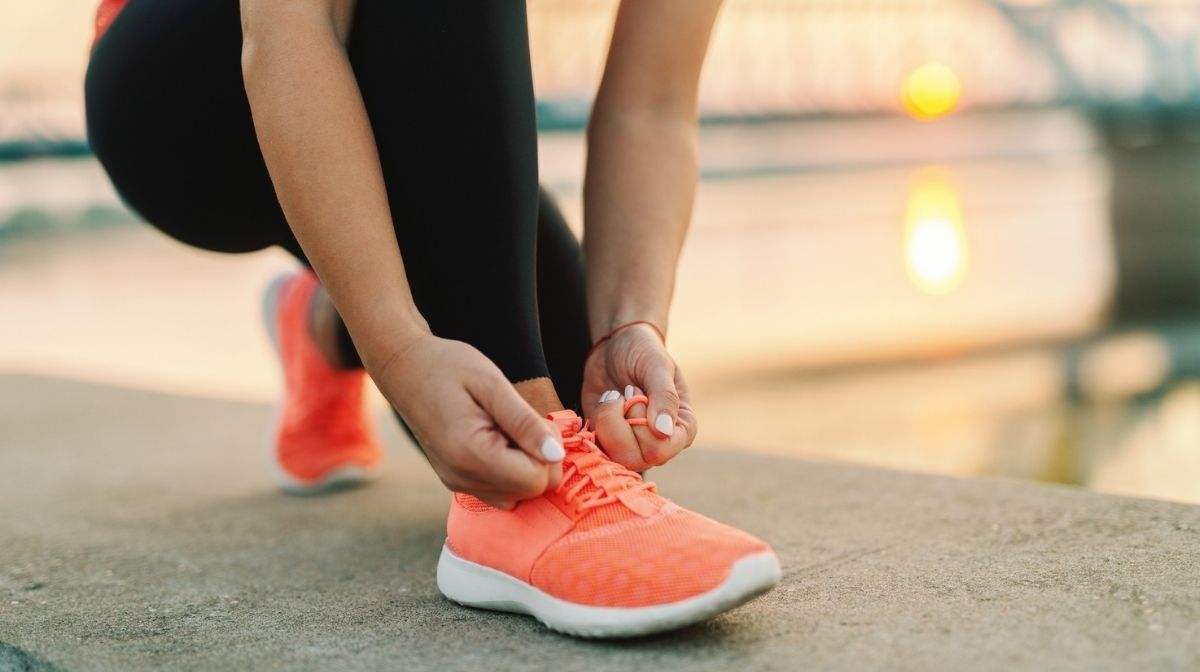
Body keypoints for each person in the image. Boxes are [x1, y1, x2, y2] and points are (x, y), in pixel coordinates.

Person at [85, 0, 780, 637]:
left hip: (397, 96)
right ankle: (513, 512)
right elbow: (289, 26)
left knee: (561, 388)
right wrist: (395, 346)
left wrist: (629, 326)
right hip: (187, 98)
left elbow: (652, 104)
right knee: (527, 430)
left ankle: (321, 328)